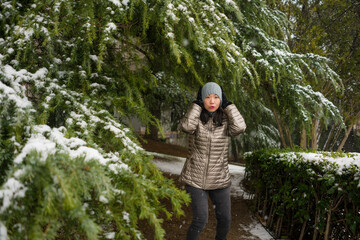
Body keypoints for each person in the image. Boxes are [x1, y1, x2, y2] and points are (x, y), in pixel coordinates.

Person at [178, 82, 246, 240]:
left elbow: (240, 127)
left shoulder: (225, 121)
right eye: (207, 97)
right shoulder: (196, 119)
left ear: (221, 100)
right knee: (200, 220)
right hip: (195, 179)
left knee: (225, 220)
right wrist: (195, 105)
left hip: (219, 179)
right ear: (202, 100)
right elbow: (186, 127)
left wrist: (229, 105)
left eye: (216, 97)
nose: (212, 101)